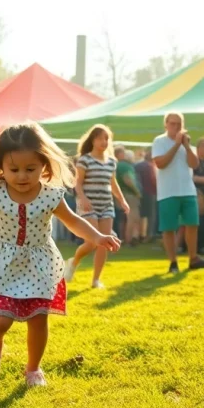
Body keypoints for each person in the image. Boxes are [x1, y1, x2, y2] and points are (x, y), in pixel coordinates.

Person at [0, 123, 121, 388]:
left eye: (30, 169)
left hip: (39, 264)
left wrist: (96, 236)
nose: (22, 176)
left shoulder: (51, 196)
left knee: (38, 319)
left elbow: (73, 221)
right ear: (1, 166)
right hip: (0, 263)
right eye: (14, 169)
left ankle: (33, 369)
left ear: (44, 166)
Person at [64, 124, 130, 289]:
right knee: (92, 242)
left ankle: (96, 280)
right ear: (93, 140)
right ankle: (74, 262)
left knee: (104, 242)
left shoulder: (111, 162)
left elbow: (113, 183)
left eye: (106, 138)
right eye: (100, 138)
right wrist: (83, 197)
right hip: (88, 206)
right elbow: (77, 183)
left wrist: (122, 200)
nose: (104, 141)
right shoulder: (84, 159)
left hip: (106, 205)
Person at [152, 113, 204, 273]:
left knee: (192, 224)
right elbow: (160, 163)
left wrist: (185, 146)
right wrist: (176, 145)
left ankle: (193, 258)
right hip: (168, 191)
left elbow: (194, 164)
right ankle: (173, 262)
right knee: (169, 228)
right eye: (172, 124)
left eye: (179, 124)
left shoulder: (187, 143)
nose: (176, 127)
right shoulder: (159, 141)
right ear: (166, 124)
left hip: (187, 190)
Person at [114, 146, 141, 245]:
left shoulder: (116, 165)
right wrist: (137, 191)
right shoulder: (125, 166)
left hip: (121, 194)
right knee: (132, 217)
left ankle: (123, 238)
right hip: (129, 194)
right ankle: (130, 240)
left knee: (123, 219)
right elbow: (128, 180)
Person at [135, 150, 157, 242]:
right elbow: (153, 179)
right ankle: (149, 235)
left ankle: (140, 234)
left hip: (139, 192)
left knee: (141, 214)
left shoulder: (137, 165)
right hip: (150, 192)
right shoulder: (151, 166)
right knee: (151, 215)